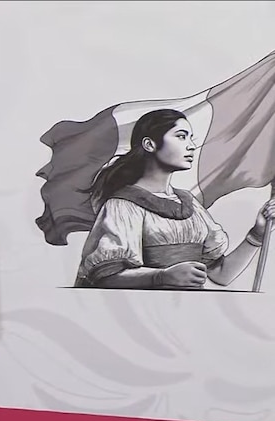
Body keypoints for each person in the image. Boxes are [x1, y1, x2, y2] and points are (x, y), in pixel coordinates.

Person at [75, 108, 275, 289]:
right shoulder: (123, 205)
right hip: (144, 317)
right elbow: (105, 278)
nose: (191, 146)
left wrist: (257, 234)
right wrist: (162, 277)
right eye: (181, 136)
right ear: (149, 144)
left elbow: (221, 274)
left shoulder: (189, 205)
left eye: (191, 138)